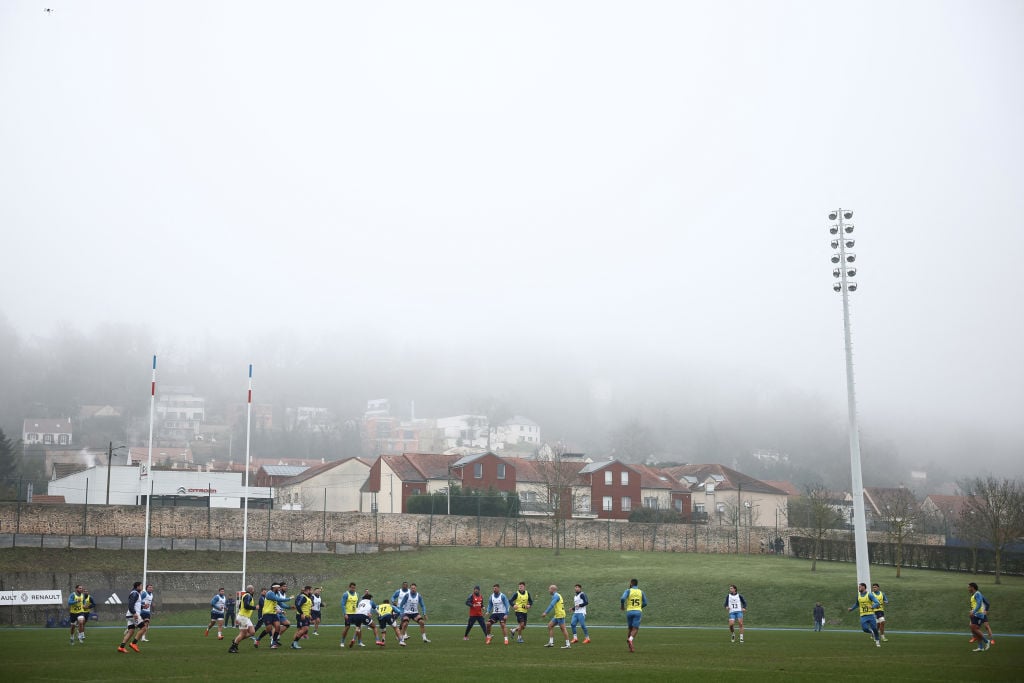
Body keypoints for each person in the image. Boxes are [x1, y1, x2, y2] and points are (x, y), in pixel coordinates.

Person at [847, 583, 881, 647]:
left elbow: (877, 603)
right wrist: (851, 609)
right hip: (863, 615)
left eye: (860, 587)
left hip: (870, 615)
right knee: (865, 629)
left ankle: (877, 641)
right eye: (858, 587)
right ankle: (871, 632)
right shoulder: (858, 596)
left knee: (874, 628)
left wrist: (872, 607)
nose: (858, 588)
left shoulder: (869, 595)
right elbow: (857, 604)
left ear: (864, 587)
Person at [620, 578, 647, 653]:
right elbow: (645, 603)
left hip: (629, 612)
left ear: (631, 583)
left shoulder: (628, 591)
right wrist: (639, 607)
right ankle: (630, 639)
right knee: (635, 629)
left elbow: (622, 599)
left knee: (630, 629)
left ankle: (630, 648)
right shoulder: (641, 592)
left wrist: (622, 606)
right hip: (637, 612)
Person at [229, 585, 258, 653]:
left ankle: (236, 640)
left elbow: (240, 606)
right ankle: (233, 647)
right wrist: (255, 608)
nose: (254, 591)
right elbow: (246, 606)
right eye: (253, 589)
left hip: (246, 617)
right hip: (243, 617)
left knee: (252, 632)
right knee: (243, 634)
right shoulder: (248, 596)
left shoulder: (246, 596)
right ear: (251, 590)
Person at [541, 584, 571, 649]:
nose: (548, 590)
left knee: (563, 629)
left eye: (549, 589)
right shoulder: (556, 595)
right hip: (557, 615)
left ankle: (568, 644)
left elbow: (551, 605)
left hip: (560, 615)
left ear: (552, 589)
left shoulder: (556, 596)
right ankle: (551, 643)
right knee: (550, 626)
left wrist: (545, 612)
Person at [117, 581, 143, 653]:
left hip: (130, 615)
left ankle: (121, 647)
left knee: (131, 631)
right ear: (137, 586)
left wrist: (143, 606)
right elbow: (130, 604)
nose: (142, 587)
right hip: (133, 615)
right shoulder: (135, 593)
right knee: (144, 628)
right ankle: (133, 643)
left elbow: (135, 605)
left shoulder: (136, 593)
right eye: (141, 586)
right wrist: (134, 613)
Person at [968, 582, 992, 652]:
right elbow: (975, 605)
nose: (968, 589)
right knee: (974, 630)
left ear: (972, 587)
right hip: (975, 614)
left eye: (969, 587)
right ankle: (980, 647)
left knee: (974, 629)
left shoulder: (978, 594)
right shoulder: (974, 595)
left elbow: (979, 604)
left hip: (978, 614)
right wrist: (972, 611)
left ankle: (987, 641)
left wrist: (973, 612)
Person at [339, 582, 360, 648]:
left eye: (354, 588)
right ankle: (342, 642)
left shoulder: (357, 594)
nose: (353, 589)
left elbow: (357, 605)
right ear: (349, 587)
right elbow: (343, 604)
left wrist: (358, 612)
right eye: (352, 588)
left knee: (359, 627)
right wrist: (345, 613)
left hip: (355, 614)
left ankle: (359, 642)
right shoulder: (346, 594)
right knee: (347, 627)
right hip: (348, 614)